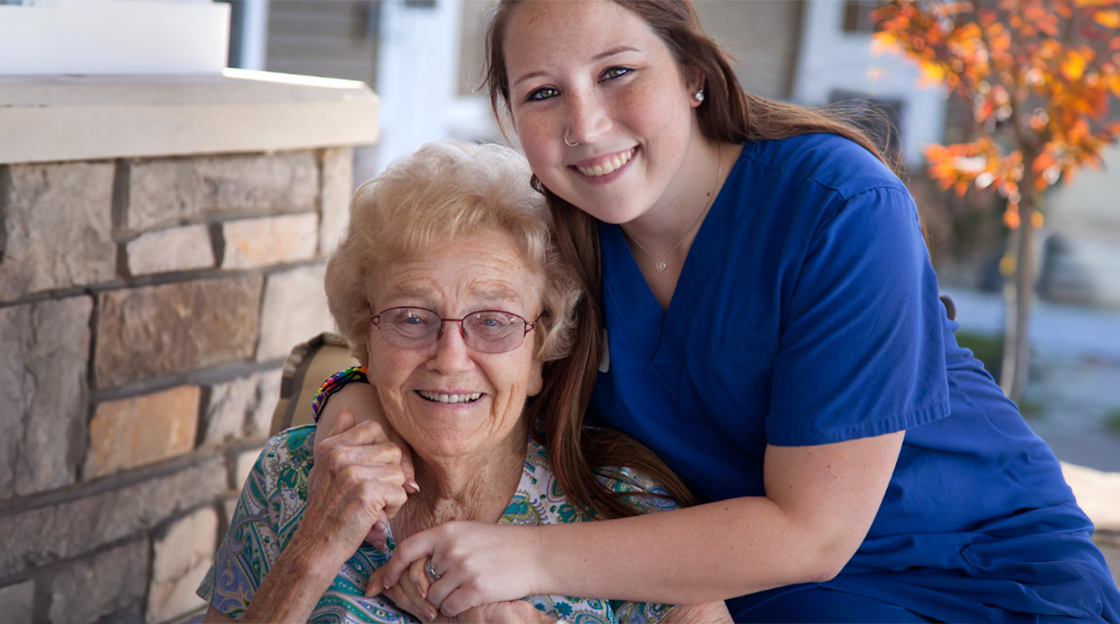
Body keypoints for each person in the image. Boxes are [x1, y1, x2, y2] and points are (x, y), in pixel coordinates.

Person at [315, 1, 1120, 622]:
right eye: (541, 93)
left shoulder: (838, 206)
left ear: (694, 74)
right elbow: (428, 329)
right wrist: (351, 400)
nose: (584, 125)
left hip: (971, 575)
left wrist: (525, 560)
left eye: (616, 73)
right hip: (737, 586)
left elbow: (815, 535)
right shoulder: (558, 234)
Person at [195, 140, 730, 623]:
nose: (450, 359)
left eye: (493, 322)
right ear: (367, 338)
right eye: (411, 317)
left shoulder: (624, 504)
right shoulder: (292, 475)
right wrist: (312, 550)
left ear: (540, 350)